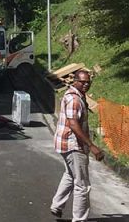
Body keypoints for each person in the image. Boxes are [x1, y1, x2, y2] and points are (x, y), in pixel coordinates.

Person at [50, 70, 103, 221]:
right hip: (74, 145)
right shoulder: (74, 99)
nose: (86, 85)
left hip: (65, 143)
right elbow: (73, 124)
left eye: (88, 82)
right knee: (82, 185)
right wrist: (91, 146)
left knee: (70, 174)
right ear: (75, 81)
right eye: (82, 82)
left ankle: (57, 205)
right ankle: (79, 219)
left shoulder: (76, 95)